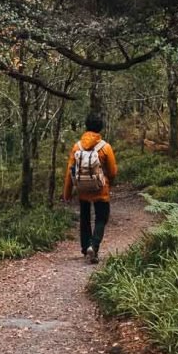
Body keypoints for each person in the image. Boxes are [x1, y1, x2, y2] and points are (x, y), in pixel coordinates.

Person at [63, 112, 117, 262]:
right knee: (101, 217)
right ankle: (93, 246)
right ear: (100, 128)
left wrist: (67, 193)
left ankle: (84, 247)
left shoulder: (77, 147)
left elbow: (70, 172)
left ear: (86, 127)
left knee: (85, 218)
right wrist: (108, 183)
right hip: (100, 189)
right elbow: (112, 171)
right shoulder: (105, 147)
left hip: (83, 189)